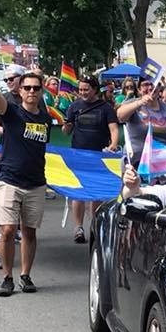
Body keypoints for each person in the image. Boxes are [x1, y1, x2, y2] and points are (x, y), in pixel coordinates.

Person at [0, 50, 50, 296]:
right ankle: (7, 277)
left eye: (36, 88)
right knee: (8, 231)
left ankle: (25, 275)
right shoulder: (10, 111)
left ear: (41, 92)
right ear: (20, 91)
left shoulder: (44, 118)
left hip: (36, 183)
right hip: (9, 180)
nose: (31, 91)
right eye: (27, 88)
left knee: (30, 231)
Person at [62, 74, 119, 243]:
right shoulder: (74, 107)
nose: (83, 92)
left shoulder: (106, 108)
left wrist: (113, 144)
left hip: (99, 156)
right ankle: (78, 228)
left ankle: (95, 225)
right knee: (78, 192)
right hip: (78, 155)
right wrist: (66, 125)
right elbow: (66, 131)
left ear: (94, 89)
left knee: (96, 194)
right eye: (80, 90)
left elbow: (114, 129)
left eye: (86, 89)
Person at [117, 77, 166, 161]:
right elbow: (120, 116)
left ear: (158, 88)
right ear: (139, 89)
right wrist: (140, 102)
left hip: (163, 163)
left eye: (153, 84)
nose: (150, 87)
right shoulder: (133, 104)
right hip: (137, 163)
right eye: (146, 85)